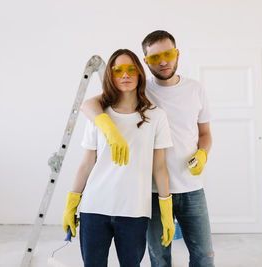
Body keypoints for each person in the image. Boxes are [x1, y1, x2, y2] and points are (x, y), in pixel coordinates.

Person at [80, 30, 215, 267]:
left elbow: (205, 134)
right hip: (151, 191)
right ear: (145, 62)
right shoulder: (139, 88)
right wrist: (108, 129)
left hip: (191, 187)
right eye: (154, 58)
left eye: (168, 54)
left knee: (204, 256)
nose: (163, 62)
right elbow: (91, 104)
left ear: (177, 53)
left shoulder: (196, 89)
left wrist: (203, 153)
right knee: (159, 259)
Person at [62, 48, 176, 267]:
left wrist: (166, 211)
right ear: (111, 77)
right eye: (118, 70)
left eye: (131, 69)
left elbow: (159, 167)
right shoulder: (99, 116)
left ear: (140, 74)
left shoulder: (156, 116)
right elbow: (87, 163)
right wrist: (72, 203)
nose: (125, 75)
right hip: (94, 208)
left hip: (134, 210)